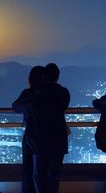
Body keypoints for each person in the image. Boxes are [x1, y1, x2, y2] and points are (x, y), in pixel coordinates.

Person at [31, 63, 71, 193]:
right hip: (59, 138)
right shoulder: (64, 92)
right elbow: (63, 107)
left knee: (39, 174)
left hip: (41, 138)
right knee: (54, 175)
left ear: (44, 76)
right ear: (57, 77)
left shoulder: (37, 92)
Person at [12, 66, 45, 193]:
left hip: (31, 137)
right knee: (44, 173)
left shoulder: (28, 94)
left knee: (29, 171)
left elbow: (16, 106)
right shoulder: (51, 94)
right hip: (50, 138)